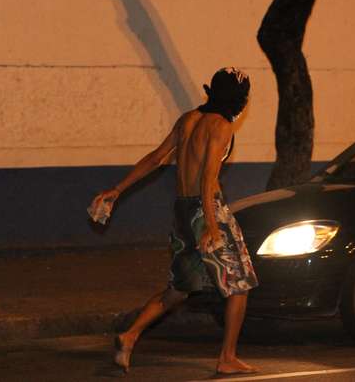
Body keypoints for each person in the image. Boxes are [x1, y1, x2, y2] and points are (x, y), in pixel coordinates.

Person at [89, 67, 258, 375]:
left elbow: (155, 158)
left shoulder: (188, 119)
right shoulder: (220, 126)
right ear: (238, 99)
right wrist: (211, 223)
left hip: (182, 211)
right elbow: (209, 178)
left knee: (179, 289)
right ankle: (227, 357)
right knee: (239, 284)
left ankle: (130, 335)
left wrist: (118, 189)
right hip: (206, 210)